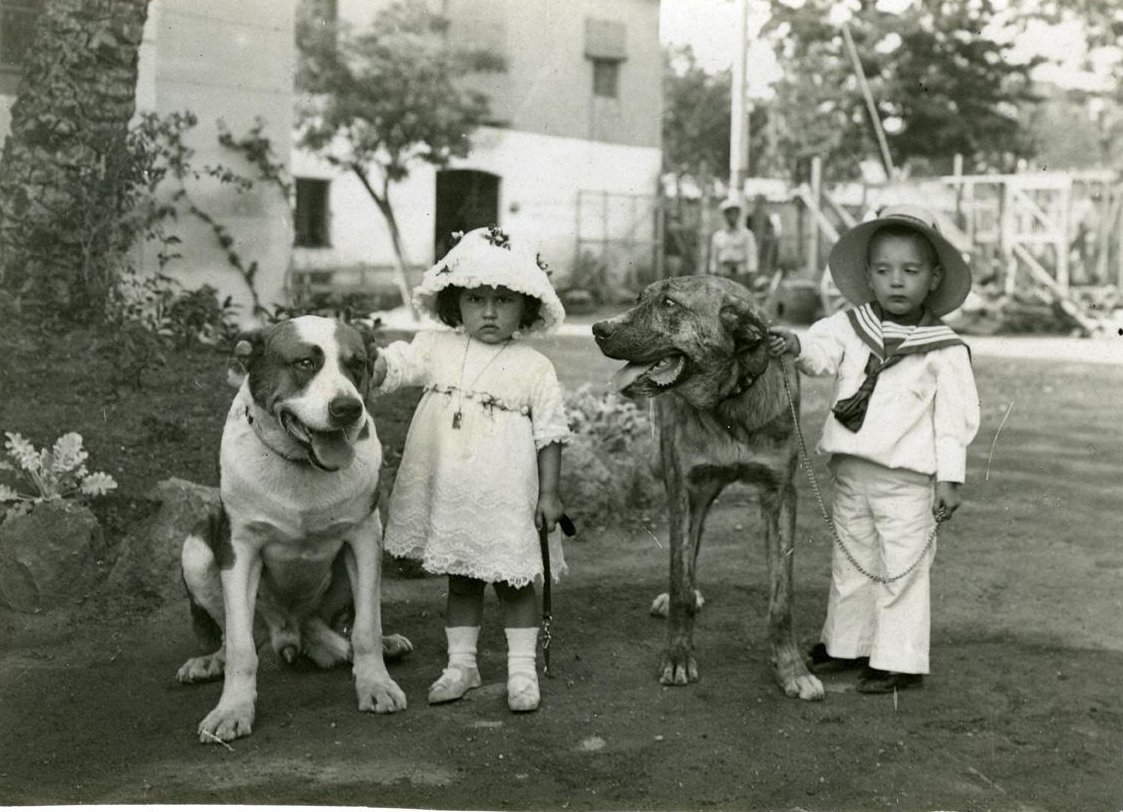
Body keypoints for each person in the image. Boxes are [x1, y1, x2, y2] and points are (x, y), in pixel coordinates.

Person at [768, 203, 980, 694]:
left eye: (911, 271)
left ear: (933, 278)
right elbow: (819, 356)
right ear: (868, 275)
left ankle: (899, 659)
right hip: (851, 472)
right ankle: (846, 644)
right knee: (851, 560)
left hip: (907, 481)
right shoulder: (849, 326)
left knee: (901, 567)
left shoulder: (943, 348)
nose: (897, 282)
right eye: (884, 271)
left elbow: (953, 420)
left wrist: (949, 478)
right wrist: (796, 347)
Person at [372, 225, 570, 713]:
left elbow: (550, 434)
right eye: (475, 298)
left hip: (506, 491)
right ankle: (461, 664)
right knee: (461, 577)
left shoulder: (533, 366)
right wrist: (370, 363)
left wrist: (549, 494)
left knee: (515, 579)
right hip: (452, 489)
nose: (487, 311)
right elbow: (398, 365)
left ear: (526, 306)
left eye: (503, 301)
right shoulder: (435, 347)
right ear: (454, 301)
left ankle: (521, 670)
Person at [708, 197, 759, 287]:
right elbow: (714, 257)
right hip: (723, 274)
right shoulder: (718, 235)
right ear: (724, 215)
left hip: (741, 274)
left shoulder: (746, 234)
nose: (731, 216)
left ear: (738, 215)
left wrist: (751, 273)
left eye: (734, 213)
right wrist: (713, 273)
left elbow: (751, 256)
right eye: (728, 213)